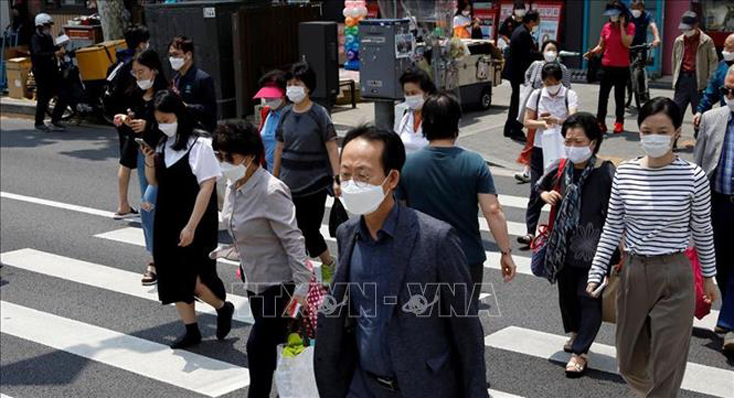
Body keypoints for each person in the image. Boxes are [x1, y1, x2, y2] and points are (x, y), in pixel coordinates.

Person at [314, 125, 490, 398]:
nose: (350, 184)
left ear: (392, 178)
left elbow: (466, 329)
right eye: (345, 175)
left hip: (421, 386)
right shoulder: (347, 232)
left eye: (362, 175)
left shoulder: (436, 239)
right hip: (361, 385)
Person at [587, 97, 718, 396]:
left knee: (667, 360)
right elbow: (612, 226)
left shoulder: (693, 177)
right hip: (634, 270)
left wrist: (709, 278)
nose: (654, 137)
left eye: (662, 131)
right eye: (647, 131)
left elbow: (703, 230)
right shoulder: (626, 172)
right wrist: (597, 271)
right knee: (628, 361)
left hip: (675, 271)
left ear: (676, 133)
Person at [212, 120, 312, 397]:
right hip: (254, 279)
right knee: (273, 346)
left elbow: (294, 241)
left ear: (250, 155)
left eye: (228, 157)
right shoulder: (234, 186)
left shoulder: (271, 190)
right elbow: (241, 228)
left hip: (281, 285)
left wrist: (302, 289)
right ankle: (284, 391)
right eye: (219, 156)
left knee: (257, 346)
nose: (223, 163)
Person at [397, 92, 517, 306]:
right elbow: (493, 211)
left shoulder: (408, 165)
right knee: (464, 324)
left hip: (422, 257)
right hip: (466, 256)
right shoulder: (474, 163)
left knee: (426, 323)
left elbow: (399, 214)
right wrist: (505, 252)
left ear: (425, 122)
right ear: (456, 123)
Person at [139, 89, 234, 349]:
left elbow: (207, 187)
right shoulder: (161, 144)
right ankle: (191, 330)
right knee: (171, 275)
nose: (163, 125)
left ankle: (222, 307)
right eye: (159, 121)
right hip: (167, 218)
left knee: (193, 279)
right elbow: (154, 181)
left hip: (196, 219)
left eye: (167, 119)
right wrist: (149, 161)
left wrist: (191, 226)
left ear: (179, 115)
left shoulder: (200, 144)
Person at [537, 113, 616, 378]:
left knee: (589, 298)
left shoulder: (605, 171)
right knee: (568, 298)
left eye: (578, 140)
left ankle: (580, 352)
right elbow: (539, 185)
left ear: (592, 143)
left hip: (596, 248)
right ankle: (574, 333)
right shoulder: (561, 167)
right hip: (563, 248)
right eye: (568, 140)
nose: (572, 145)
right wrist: (544, 194)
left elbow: (617, 210)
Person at [273, 61, 339, 270]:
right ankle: (302, 278)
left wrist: (337, 178)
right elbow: (279, 148)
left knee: (310, 232)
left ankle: (329, 265)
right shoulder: (285, 114)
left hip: (315, 185)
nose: (292, 87)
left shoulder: (319, 113)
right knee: (291, 232)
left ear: (308, 87)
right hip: (287, 184)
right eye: (290, 83)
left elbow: (331, 147)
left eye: (297, 83)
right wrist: (273, 179)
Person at [113, 49, 168, 285]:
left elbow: (175, 125)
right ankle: (154, 259)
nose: (138, 77)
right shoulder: (134, 93)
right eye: (135, 73)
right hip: (143, 155)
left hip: (166, 157)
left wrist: (150, 124)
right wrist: (124, 121)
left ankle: (171, 256)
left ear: (154, 70)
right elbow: (129, 124)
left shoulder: (166, 95)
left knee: (166, 207)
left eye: (142, 71)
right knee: (148, 206)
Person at [694, 65, 734, 353]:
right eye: (727, 90)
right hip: (717, 204)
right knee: (719, 264)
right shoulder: (711, 119)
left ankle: (730, 323)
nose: (730, 96)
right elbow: (697, 168)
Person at [519, 63, 578, 247]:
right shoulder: (537, 95)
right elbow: (527, 121)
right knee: (536, 189)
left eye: (553, 82)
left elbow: (574, 119)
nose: (550, 86)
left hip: (562, 149)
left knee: (563, 190)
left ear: (560, 80)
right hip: (540, 147)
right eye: (546, 82)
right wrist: (542, 124)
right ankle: (530, 232)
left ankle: (558, 230)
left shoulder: (569, 95)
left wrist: (557, 121)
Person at [514, 39, 572, 183]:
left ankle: (553, 174)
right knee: (531, 142)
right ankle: (528, 170)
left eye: (553, 50)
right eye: (548, 49)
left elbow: (567, 86)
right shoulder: (536, 65)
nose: (551, 53)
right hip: (537, 109)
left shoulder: (563, 69)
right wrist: (530, 87)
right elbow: (527, 75)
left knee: (554, 147)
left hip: (556, 116)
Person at [111, 24, 151, 220]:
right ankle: (147, 205)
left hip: (122, 118)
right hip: (133, 119)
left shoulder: (121, 60)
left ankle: (123, 204)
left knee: (126, 162)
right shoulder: (135, 66)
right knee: (144, 163)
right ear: (141, 43)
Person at [584, 3, 635, 134]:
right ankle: (600, 121)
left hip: (622, 67)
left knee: (619, 96)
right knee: (603, 96)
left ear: (621, 14)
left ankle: (619, 122)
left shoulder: (630, 26)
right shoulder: (606, 27)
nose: (612, 17)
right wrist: (592, 52)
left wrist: (622, 26)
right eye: (610, 15)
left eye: (615, 14)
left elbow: (627, 43)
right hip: (607, 66)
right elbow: (601, 46)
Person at [672, 12, 718, 125]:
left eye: (688, 28)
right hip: (682, 81)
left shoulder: (707, 41)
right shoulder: (679, 41)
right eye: (683, 28)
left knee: (701, 116)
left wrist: (710, 83)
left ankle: (700, 140)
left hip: (699, 84)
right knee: (675, 113)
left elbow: (713, 63)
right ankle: (673, 140)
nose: (686, 31)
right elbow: (674, 61)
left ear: (696, 25)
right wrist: (675, 80)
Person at [503, 9, 541, 141]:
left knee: (516, 100)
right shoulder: (523, 33)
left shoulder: (521, 30)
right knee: (520, 101)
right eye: (537, 20)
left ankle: (509, 128)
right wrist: (543, 55)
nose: (538, 22)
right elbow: (528, 54)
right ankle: (515, 129)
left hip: (515, 71)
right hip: (518, 72)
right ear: (531, 21)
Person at [168, 36, 217, 132]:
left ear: (188, 55)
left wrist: (187, 107)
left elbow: (210, 109)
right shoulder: (175, 80)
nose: (172, 59)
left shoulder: (202, 79)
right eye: (170, 55)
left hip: (201, 133)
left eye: (176, 55)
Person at [30, 13, 67, 133]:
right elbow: (38, 54)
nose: (49, 28)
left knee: (63, 94)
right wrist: (53, 54)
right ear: (40, 26)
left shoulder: (48, 37)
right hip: (41, 72)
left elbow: (51, 49)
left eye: (49, 26)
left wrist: (59, 46)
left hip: (52, 71)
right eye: (46, 26)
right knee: (43, 98)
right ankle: (39, 123)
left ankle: (55, 120)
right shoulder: (35, 38)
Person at [693, 33, 734, 128]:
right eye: (724, 47)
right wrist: (700, 111)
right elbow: (711, 92)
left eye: (729, 48)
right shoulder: (722, 67)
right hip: (727, 118)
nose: (725, 51)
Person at [397, 67, 437, 155]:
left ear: (426, 92)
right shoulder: (402, 112)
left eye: (414, 93)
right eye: (407, 94)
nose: (410, 97)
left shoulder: (438, 114)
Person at [254, 69, 288, 171]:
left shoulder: (291, 115)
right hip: (269, 170)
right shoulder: (265, 113)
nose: (268, 100)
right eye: (266, 97)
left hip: (288, 172)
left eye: (272, 97)